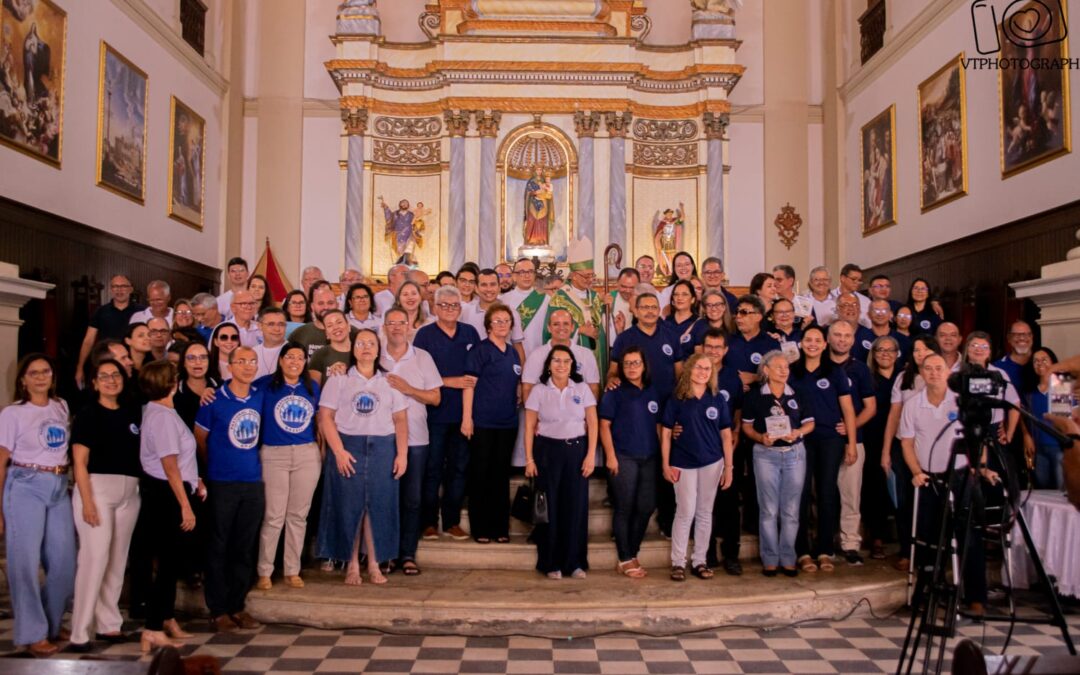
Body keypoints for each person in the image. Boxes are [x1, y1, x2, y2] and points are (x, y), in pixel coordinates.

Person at [899, 353, 989, 616]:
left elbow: (978, 437)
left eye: (939, 368)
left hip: (960, 478)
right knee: (928, 541)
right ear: (921, 373)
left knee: (969, 538)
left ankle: (976, 598)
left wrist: (980, 467)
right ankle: (926, 593)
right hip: (929, 479)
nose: (934, 373)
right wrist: (915, 471)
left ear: (949, 371)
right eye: (928, 368)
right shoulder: (913, 405)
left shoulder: (961, 402)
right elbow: (906, 442)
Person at [317, 329, 409, 585]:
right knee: (350, 508)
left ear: (378, 349)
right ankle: (351, 564)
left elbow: (400, 419)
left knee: (376, 508)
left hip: (382, 447)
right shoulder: (340, 379)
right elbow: (326, 417)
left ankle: (374, 563)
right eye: (361, 343)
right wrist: (338, 451)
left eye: (371, 343)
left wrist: (402, 454)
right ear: (353, 349)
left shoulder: (389, 380)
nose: (366, 347)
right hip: (349, 448)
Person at [0, 355, 75, 657]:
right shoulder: (12, 413)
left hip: (58, 484)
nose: (41, 377)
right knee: (25, 564)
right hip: (24, 484)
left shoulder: (61, 406)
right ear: (23, 379)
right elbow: (1, 460)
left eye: (46, 371)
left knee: (65, 562)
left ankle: (51, 622)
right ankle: (32, 633)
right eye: (34, 373)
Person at [68, 359, 144, 651]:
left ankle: (108, 624)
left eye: (116, 375)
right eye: (104, 376)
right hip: (97, 491)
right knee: (94, 559)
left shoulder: (131, 412)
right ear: (95, 383)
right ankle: (79, 632)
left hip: (129, 493)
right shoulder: (89, 414)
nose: (112, 380)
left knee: (116, 560)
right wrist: (87, 501)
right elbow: (79, 461)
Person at [195, 347, 265, 632]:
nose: (248, 366)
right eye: (242, 361)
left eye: (252, 361)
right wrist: (214, 467)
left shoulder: (260, 395)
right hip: (222, 481)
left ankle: (237, 605)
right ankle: (218, 608)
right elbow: (200, 439)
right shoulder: (213, 399)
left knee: (245, 546)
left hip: (252, 480)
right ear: (229, 365)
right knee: (219, 544)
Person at [136, 360, 205, 652]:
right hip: (167, 495)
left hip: (173, 490)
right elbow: (170, 466)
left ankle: (166, 618)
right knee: (166, 564)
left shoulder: (163, 412)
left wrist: (197, 479)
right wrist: (185, 506)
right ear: (169, 382)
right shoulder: (161, 416)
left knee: (172, 561)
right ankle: (152, 628)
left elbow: (181, 462)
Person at [524, 345, 598, 579]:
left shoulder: (583, 388)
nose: (561, 365)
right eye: (556, 361)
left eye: (566, 361)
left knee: (575, 507)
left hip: (576, 451)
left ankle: (574, 562)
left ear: (572, 365)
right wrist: (529, 459)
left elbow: (593, 424)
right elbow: (529, 427)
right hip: (547, 452)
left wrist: (590, 456)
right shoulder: (538, 391)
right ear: (548, 364)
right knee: (550, 508)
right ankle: (550, 562)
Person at [414, 286, 480, 541]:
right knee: (432, 469)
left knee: (459, 468)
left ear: (460, 308)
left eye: (455, 305)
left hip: (463, 414)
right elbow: (417, 375)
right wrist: (449, 381)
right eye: (445, 305)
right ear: (435, 307)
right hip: (434, 414)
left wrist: (468, 415)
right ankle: (429, 522)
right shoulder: (425, 335)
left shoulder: (470, 333)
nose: (450, 309)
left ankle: (451, 521)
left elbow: (474, 375)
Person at [661, 353, 734, 581]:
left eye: (707, 369)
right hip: (683, 462)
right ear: (689, 369)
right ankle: (678, 562)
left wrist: (729, 467)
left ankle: (700, 560)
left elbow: (725, 435)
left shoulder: (717, 398)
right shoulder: (677, 398)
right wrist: (665, 463)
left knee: (704, 513)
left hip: (712, 462)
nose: (703, 372)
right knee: (685, 512)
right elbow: (665, 433)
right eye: (698, 368)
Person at [380, 308, 442, 575]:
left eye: (400, 323)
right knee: (384, 498)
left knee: (412, 499)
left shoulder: (422, 357)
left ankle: (407, 553)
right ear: (383, 327)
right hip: (382, 437)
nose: (396, 328)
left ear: (409, 327)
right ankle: (385, 553)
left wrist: (409, 390)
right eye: (390, 323)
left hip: (416, 438)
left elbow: (435, 398)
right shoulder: (374, 355)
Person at [254, 343, 321, 590]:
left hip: (306, 454)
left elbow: (320, 421)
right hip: (274, 454)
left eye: (300, 357)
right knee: (273, 516)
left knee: (298, 515)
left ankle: (292, 569)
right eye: (290, 356)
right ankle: (265, 570)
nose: (295, 361)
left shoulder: (312, 387)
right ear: (281, 360)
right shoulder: (264, 385)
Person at [790, 325, 857, 573]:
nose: (813, 344)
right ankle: (803, 551)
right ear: (801, 343)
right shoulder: (792, 371)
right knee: (801, 493)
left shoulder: (835, 372)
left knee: (828, 492)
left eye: (818, 340)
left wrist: (850, 442)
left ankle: (825, 549)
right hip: (800, 441)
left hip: (830, 439)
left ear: (824, 344)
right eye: (808, 339)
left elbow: (848, 410)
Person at [742, 350, 814, 577]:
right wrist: (760, 437)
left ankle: (788, 557)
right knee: (769, 509)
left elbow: (809, 423)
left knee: (791, 510)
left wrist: (798, 432)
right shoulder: (755, 396)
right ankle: (770, 558)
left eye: (787, 367)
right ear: (766, 370)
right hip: (766, 455)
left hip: (794, 453)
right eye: (779, 367)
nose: (784, 371)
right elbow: (746, 426)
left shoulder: (799, 393)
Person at [462, 304, 522, 544]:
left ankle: (500, 527)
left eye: (506, 321)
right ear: (488, 325)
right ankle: (481, 527)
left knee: (500, 475)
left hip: (507, 423)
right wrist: (467, 418)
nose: (502, 324)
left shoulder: (513, 352)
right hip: (483, 422)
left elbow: (515, 380)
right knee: (481, 474)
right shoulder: (480, 351)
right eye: (497, 321)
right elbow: (469, 385)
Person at [881, 335, 940, 571]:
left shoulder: (940, 378)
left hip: (931, 447)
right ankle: (907, 550)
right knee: (904, 501)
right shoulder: (903, 378)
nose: (920, 354)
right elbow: (894, 415)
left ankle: (931, 550)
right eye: (916, 350)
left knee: (930, 501)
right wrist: (886, 451)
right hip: (903, 444)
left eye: (925, 349)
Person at [599, 346, 659, 579]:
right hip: (623, 456)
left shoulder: (653, 391)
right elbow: (604, 426)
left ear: (644, 366)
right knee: (624, 507)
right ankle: (625, 557)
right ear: (621, 368)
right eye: (627, 364)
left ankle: (631, 552)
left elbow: (657, 424)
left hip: (650, 457)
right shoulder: (614, 392)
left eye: (636, 363)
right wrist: (611, 457)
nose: (632, 367)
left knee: (646, 506)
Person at [828, 321, 877, 566]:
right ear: (829, 338)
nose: (842, 339)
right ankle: (824, 540)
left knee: (850, 494)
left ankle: (850, 543)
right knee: (821, 495)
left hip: (852, 440)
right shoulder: (818, 366)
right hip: (822, 441)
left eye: (847, 336)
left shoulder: (860, 369)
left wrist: (851, 427)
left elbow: (870, 408)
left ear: (853, 340)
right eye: (837, 334)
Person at [700, 329, 746, 574]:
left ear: (725, 350)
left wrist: (737, 431)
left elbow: (737, 407)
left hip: (727, 448)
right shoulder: (694, 373)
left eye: (718, 347)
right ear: (703, 347)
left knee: (728, 503)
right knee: (705, 503)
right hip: (701, 449)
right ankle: (707, 552)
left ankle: (731, 554)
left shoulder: (732, 377)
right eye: (709, 346)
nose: (713, 351)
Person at [862, 335, 901, 560]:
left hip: (901, 440)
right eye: (880, 350)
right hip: (872, 438)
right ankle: (876, 537)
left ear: (897, 354)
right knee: (874, 488)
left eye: (890, 350)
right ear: (873, 354)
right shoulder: (868, 378)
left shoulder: (904, 379)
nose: (885, 354)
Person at [76, 275, 144, 388]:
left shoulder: (142, 311)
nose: (119, 290)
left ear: (130, 289)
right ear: (111, 289)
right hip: (106, 364)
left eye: (123, 286)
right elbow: (88, 340)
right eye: (115, 287)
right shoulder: (101, 311)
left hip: (132, 364)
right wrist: (80, 367)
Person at [523, 308, 601, 401]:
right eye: (556, 324)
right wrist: (535, 415)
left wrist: (586, 415)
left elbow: (593, 389)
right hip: (545, 412)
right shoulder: (536, 355)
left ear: (572, 327)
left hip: (577, 413)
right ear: (549, 328)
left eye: (566, 324)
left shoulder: (586, 354)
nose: (561, 328)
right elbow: (527, 388)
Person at [726, 295, 781, 390]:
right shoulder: (727, 341)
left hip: (760, 399)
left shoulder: (771, 344)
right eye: (737, 312)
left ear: (758, 317)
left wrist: (755, 377)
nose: (738, 316)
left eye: (744, 312)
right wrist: (735, 384)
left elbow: (779, 375)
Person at [1028, 348, 1064, 488]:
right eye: (1035, 361)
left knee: (1060, 490)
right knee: (1043, 489)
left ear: (1053, 362)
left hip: (1059, 448)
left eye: (1044, 360)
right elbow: (1025, 417)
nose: (1039, 363)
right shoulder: (1030, 392)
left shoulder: (1062, 387)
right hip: (1038, 448)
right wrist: (1026, 437)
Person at [291, 281, 345, 357]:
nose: (326, 307)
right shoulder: (299, 334)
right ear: (312, 307)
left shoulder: (351, 333)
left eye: (330, 303)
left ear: (337, 305)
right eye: (321, 303)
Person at [308, 309, 353, 386]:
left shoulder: (360, 351)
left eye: (339, 322)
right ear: (326, 334)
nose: (335, 327)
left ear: (348, 326)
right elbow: (313, 390)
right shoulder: (319, 355)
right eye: (330, 325)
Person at [686, 289, 734, 357]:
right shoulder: (699, 325)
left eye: (718, 304)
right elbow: (698, 356)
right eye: (709, 305)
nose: (714, 309)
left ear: (724, 307)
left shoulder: (733, 327)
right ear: (704, 309)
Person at [995, 321, 1035, 394]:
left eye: (1027, 334)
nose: (1022, 338)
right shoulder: (997, 368)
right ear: (1009, 338)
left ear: (1032, 337)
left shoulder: (1042, 363)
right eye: (1017, 335)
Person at [253, 307, 288, 378]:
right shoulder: (253, 352)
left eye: (281, 324)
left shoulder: (294, 352)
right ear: (260, 326)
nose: (277, 329)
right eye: (271, 324)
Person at [664, 279, 699, 346]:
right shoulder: (666, 322)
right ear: (672, 299)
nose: (679, 298)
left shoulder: (699, 323)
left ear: (693, 299)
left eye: (684, 294)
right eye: (676, 294)